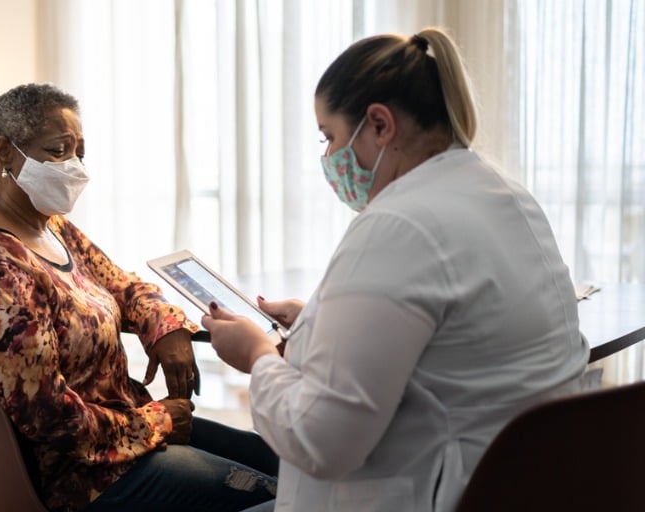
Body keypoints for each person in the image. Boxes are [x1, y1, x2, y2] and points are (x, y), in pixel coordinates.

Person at [202, 28, 593, 512]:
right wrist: (319, 325)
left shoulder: (396, 224)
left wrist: (259, 356)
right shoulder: (505, 196)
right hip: (522, 486)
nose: (328, 158)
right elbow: (447, 341)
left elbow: (320, 441)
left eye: (330, 137)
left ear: (380, 125)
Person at [0, 83, 277, 512]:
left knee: (286, 461)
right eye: (59, 151)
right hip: (82, 476)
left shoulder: (51, 228)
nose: (74, 166)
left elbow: (124, 285)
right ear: (5, 153)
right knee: (281, 495)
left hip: (126, 434)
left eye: (79, 151)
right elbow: (51, 419)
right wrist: (157, 422)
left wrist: (165, 327)